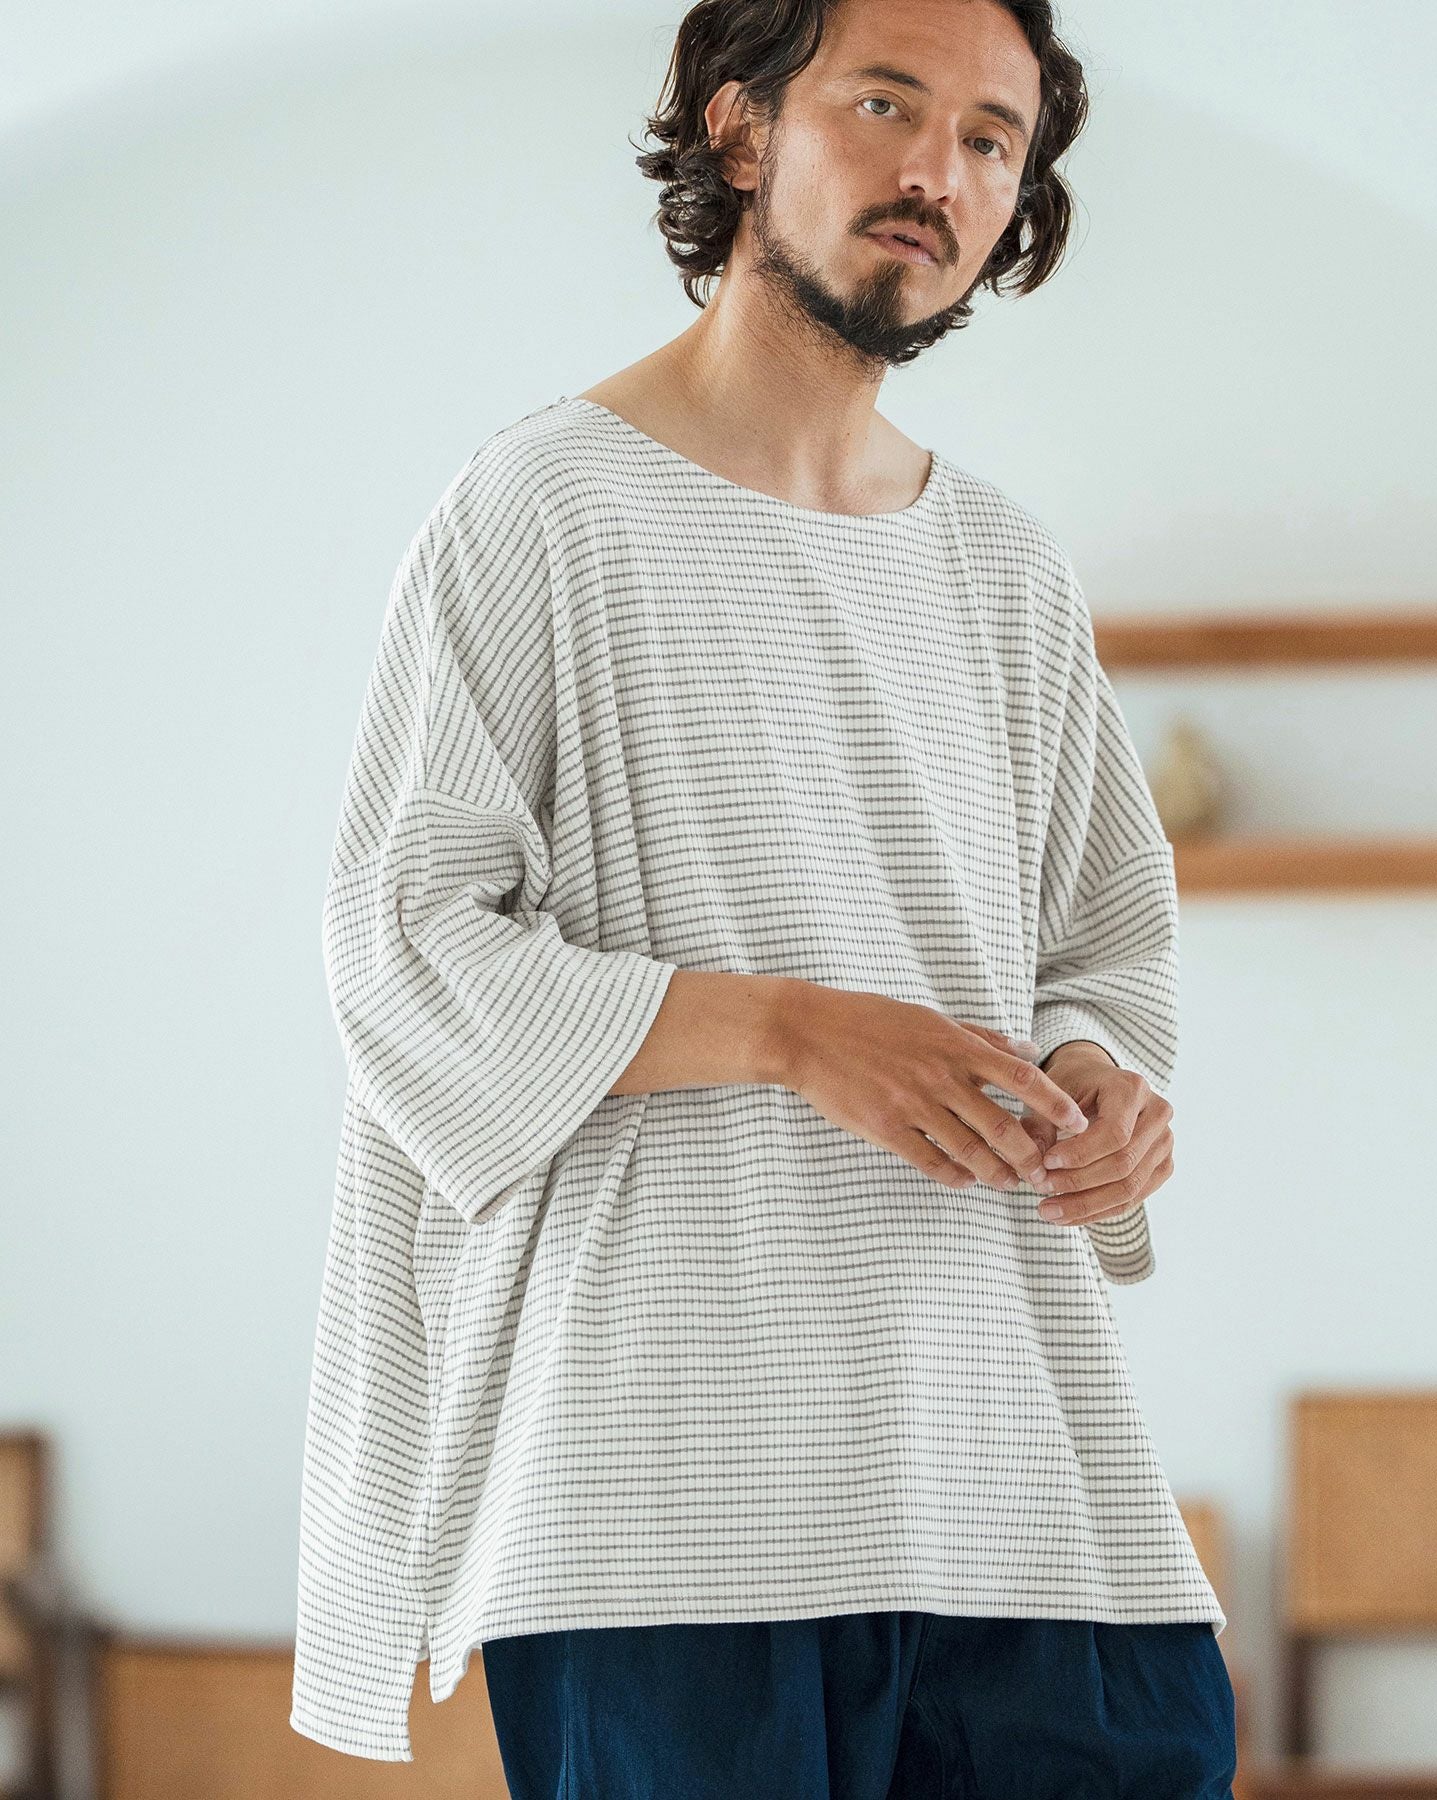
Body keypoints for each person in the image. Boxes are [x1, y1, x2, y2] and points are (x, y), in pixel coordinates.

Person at [289, 0, 1237, 1791]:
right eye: (885, 103)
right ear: (740, 129)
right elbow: (404, 945)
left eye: (990, 138)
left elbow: (1103, 943)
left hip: (1007, 1460)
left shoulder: (1007, 571)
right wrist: (792, 1033)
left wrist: (1100, 1075)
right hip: (656, 1494)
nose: (939, 171)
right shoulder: (543, 509)